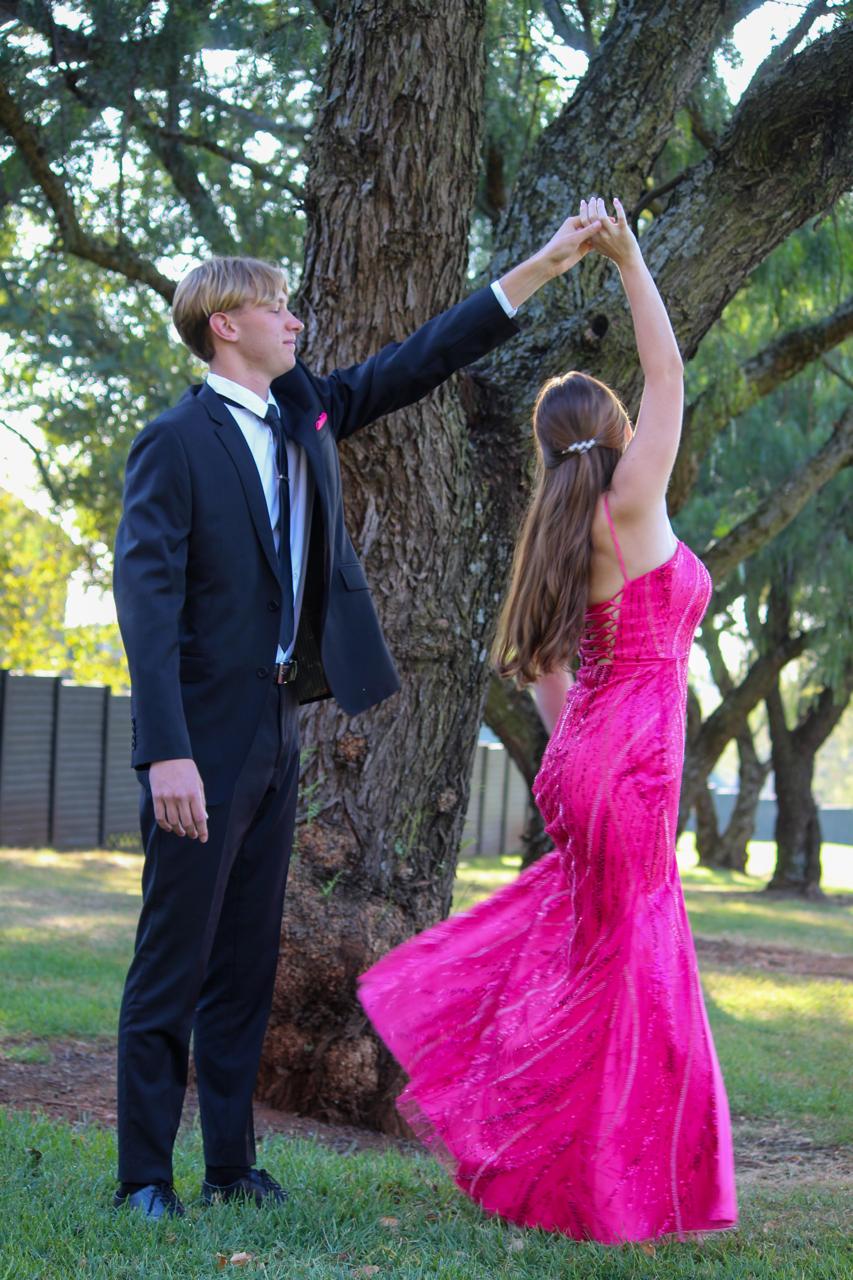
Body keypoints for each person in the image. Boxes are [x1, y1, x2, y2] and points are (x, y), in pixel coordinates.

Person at [111, 210, 603, 1219]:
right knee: (174, 957)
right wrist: (165, 752)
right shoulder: (173, 442)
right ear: (223, 325)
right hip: (199, 737)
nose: (294, 320)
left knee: (246, 961)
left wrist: (543, 267)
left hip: (277, 726)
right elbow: (145, 603)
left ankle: (231, 1166)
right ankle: (143, 1179)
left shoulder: (306, 413)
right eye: (276, 306)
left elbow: (421, 358)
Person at [359, 197, 738, 1245]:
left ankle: (578, 1166)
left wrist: (586, 755)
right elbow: (669, 373)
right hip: (629, 760)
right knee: (625, 968)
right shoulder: (631, 499)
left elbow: (537, 671)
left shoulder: (556, 530)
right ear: (615, 434)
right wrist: (628, 259)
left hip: (583, 758)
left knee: (591, 957)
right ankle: (589, 1180)